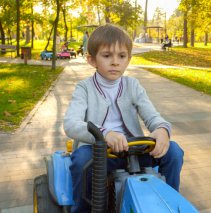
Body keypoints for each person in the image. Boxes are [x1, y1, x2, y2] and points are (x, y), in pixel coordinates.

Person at [63, 24, 184, 213]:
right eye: (106, 55)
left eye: (121, 56)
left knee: (174, 151)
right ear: (91, 60)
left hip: (134, 151)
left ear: (129, 59)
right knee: (81, 159)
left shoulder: (132, 85)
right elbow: (71, 124)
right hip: (100, 152)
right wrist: (104, 135)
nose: (115, 62)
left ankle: (168, 203)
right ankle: (84, 210)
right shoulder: (84, 88)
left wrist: (161, 129)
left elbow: (152, 116)